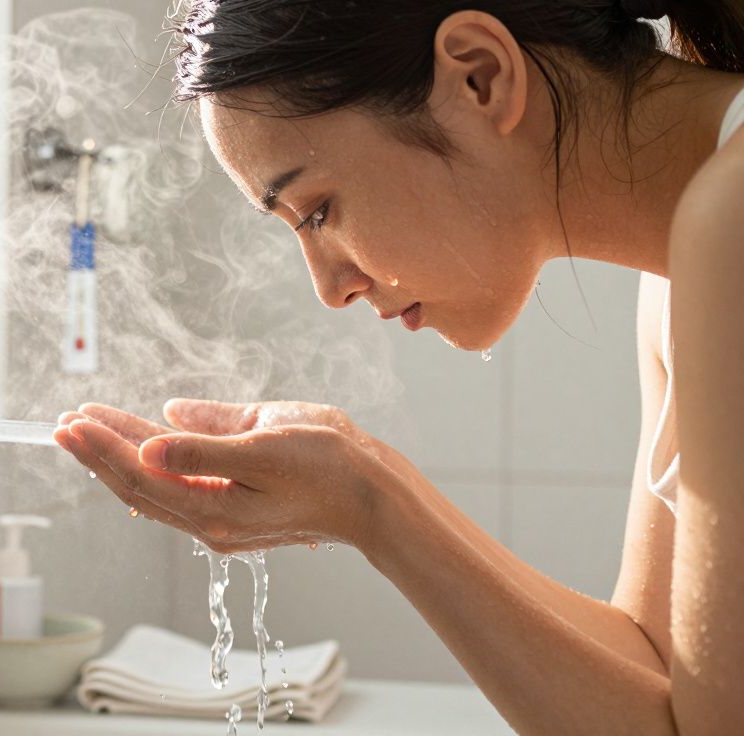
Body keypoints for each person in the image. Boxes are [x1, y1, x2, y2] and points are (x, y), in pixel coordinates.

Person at [52, 1, 744, 733]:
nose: (329, 289)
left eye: (317, 212)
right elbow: (657, 668)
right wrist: (368, 484)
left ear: (480, 76)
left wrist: (375, 512)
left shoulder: (730, 222)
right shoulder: (679, 277)